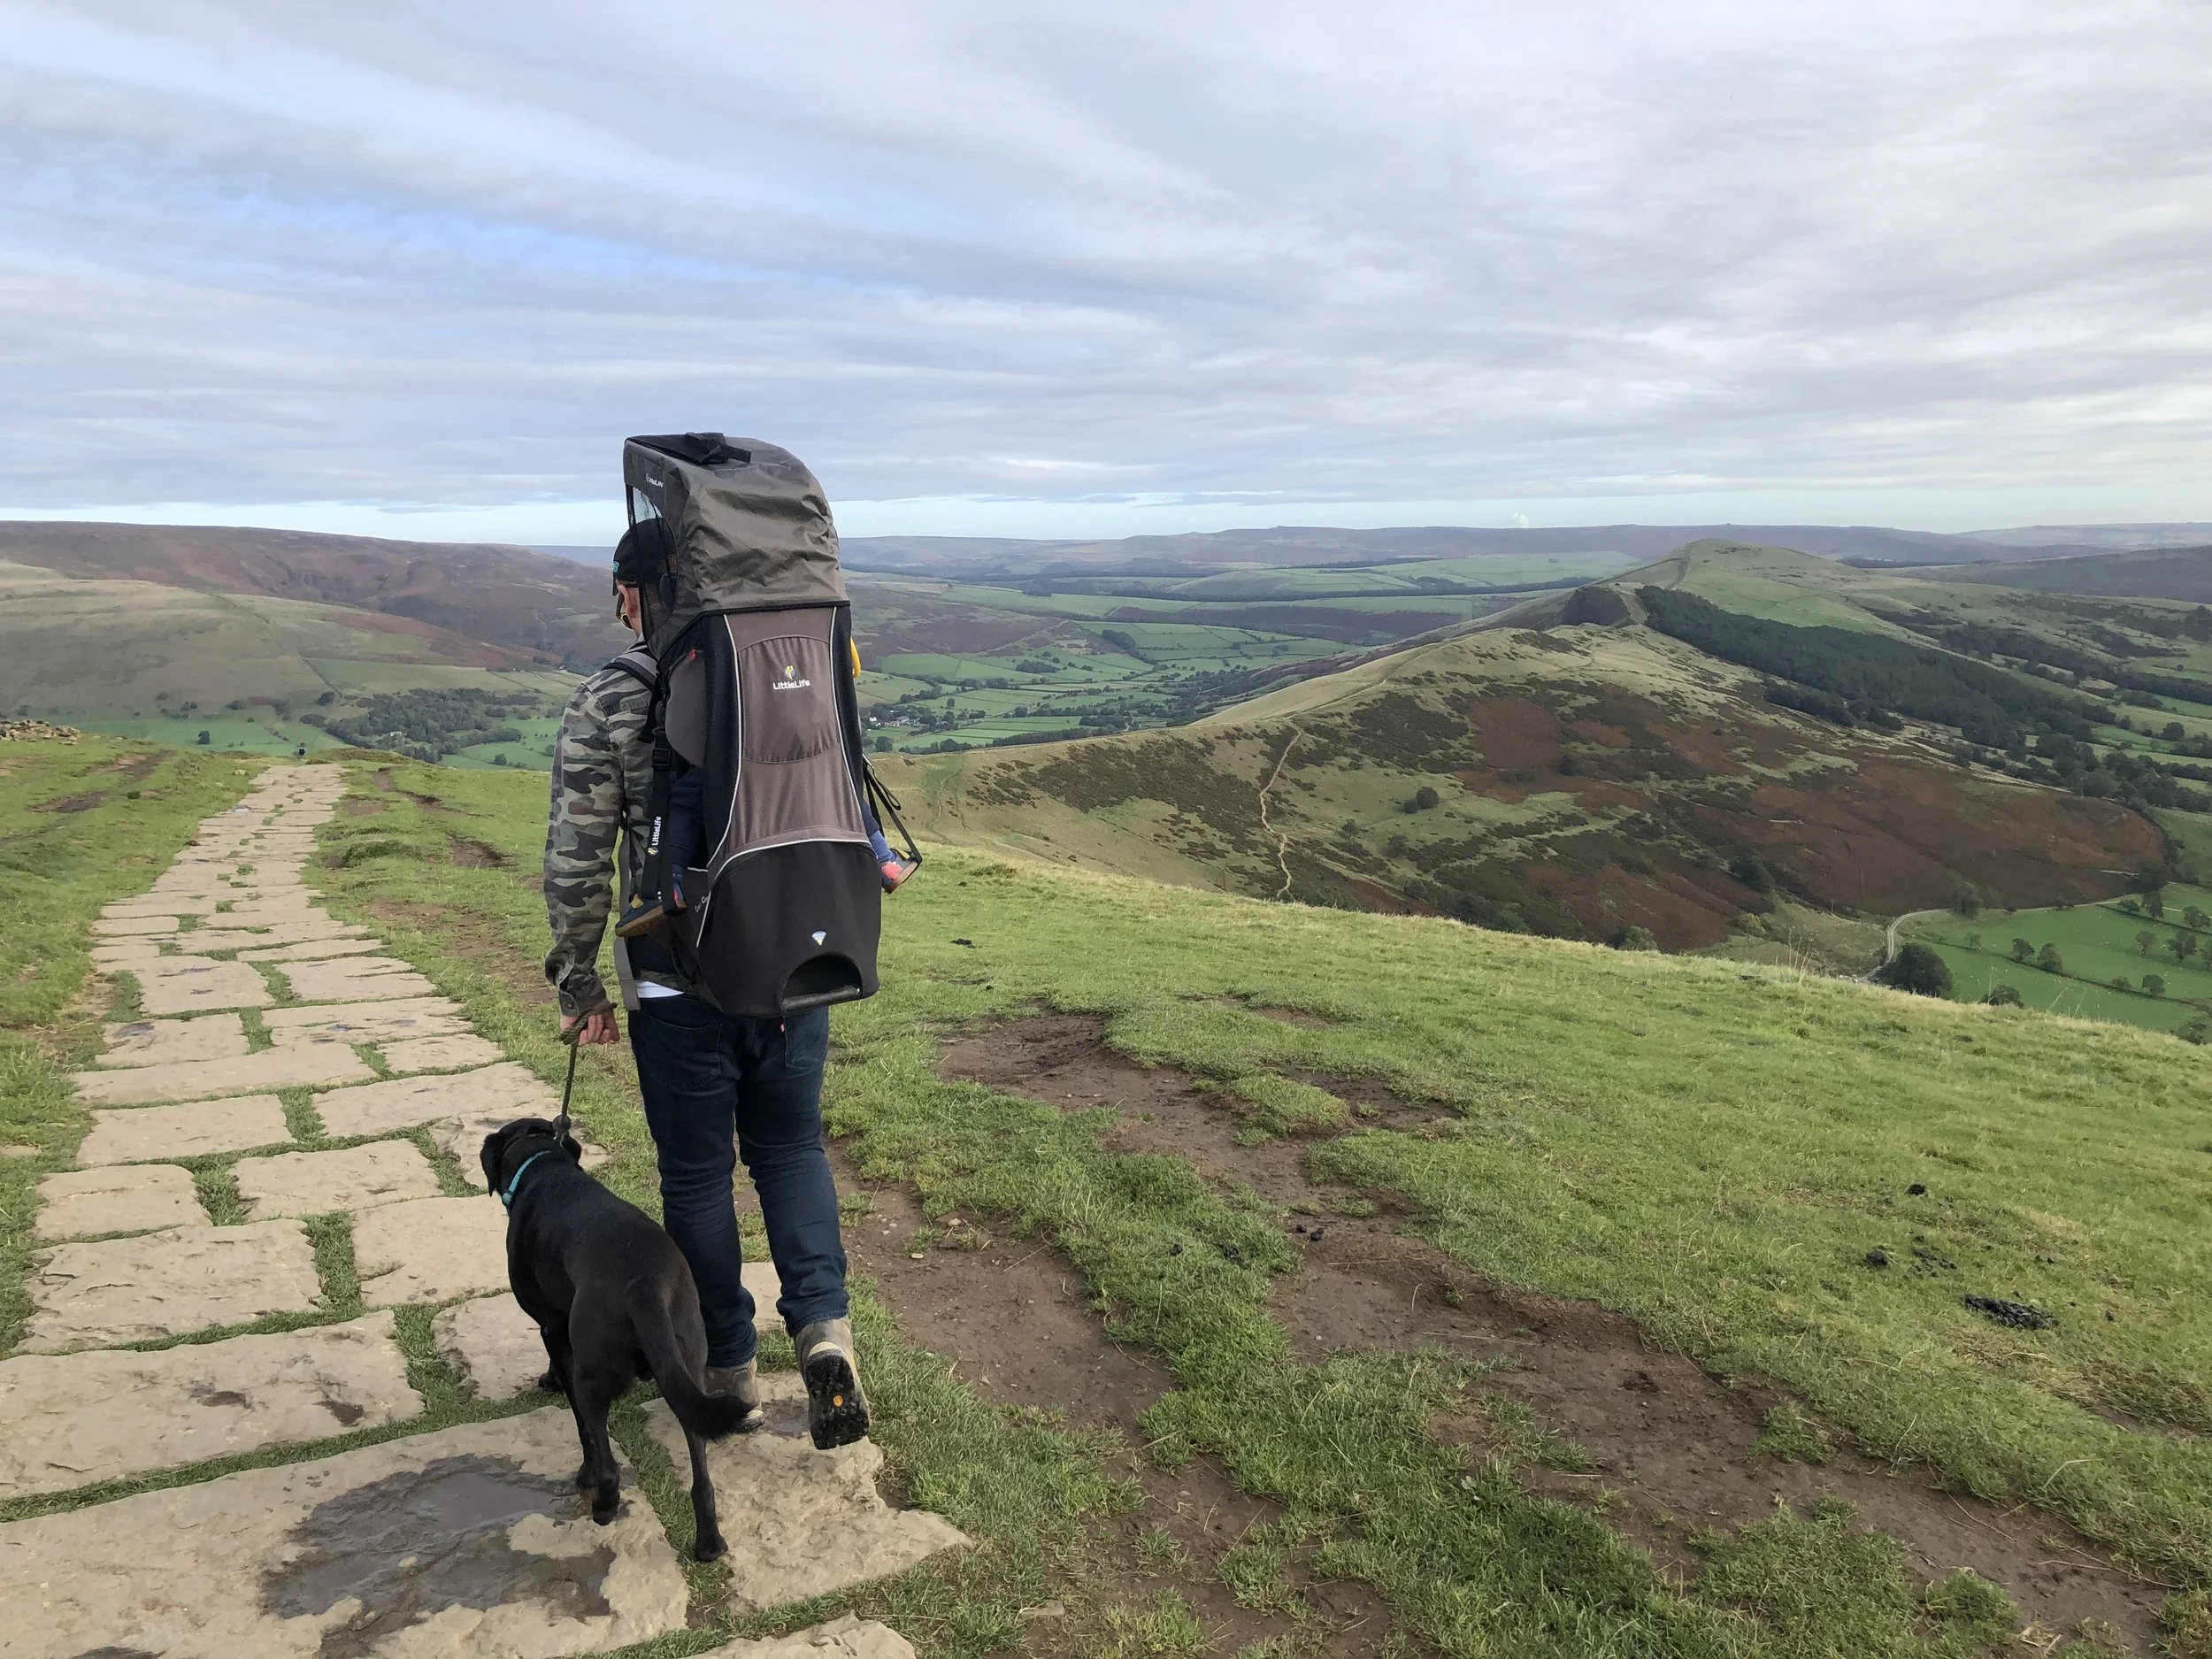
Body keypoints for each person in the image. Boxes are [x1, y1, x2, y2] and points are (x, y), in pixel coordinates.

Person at [542, 529, 869, 1448]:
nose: (615, 606)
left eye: (620, 589)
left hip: (677, 979)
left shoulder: (616, 692)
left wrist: (576, 978)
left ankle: (728, 1361)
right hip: (793, 963)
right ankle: (823, 1331)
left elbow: (575, 854)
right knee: (791, 1152)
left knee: (696, 1175)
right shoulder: (796, 665)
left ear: (643, 591)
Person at [614, 641, 915, 941]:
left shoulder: (732, 627)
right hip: (812, 739)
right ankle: (884, 861)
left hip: (750, 748)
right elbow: (853, 668)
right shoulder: (810, 621)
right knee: (840, 787)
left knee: (684, 800)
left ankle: (669, 886)